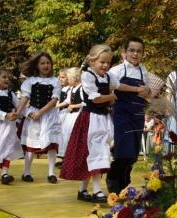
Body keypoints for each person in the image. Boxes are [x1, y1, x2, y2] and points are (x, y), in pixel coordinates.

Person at [60, 44, 148, 202]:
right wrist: (112, 97)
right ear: (92, 61)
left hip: (103, 118)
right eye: (102, 62)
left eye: (108, 62)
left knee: (96, 152)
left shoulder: (108, 76)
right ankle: (97, 189)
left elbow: (119, 85)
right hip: (90, 118)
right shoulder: (87, 76)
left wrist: (136, 90)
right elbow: (95, 98)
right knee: (98, 152)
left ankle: (82, 190)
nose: (106, 65)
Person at [106, 37, 151, 195]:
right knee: (123, 150)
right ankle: (113, 180)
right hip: (122, 114)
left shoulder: (144, 71)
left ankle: (125, 181)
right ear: (124, 53)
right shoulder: (116, 70)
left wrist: (148, 93)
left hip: (138, 114)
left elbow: (147, 94)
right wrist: (136, 89)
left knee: (133, 153)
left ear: (143, 54)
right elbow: (111, 86)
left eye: (139, 51)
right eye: (132, 50)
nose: (135, 54)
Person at [16, 52, 62, 183]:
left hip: (49, 115)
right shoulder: (30, 81)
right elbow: (25, 98)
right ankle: (26, 172)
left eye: (48, 63)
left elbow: (54, 100)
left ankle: (51, 173)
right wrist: (19, 112)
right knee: (31, 144)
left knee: (52, 144)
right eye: (42, 63)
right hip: (33, 115)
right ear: (37, 65)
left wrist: (40, 112)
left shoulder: (56, 81)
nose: (46, 65)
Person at [58, 67, 84, 159]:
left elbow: (85, 103)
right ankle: (66, 156)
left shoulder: (82, 88)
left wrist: (73, 106)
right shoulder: (72, 88)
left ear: (75, 78)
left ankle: (75, 155)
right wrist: (57, 106)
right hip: (71, 115)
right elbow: (68, 100)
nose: (68, 80)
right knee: (65, 133)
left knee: (73, 134)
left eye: (69, 78)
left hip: (78, 114)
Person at [55, 68, 70, 167]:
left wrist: (57, 106)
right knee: (60, 136)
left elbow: (68, 101)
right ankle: (62, 157)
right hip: (60, 114)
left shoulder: (70, 89)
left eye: (63, 77)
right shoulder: (60, 89)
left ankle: (67, 159)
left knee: (66, 135)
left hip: (67, 114)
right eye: (59, 77)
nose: (61, 79)